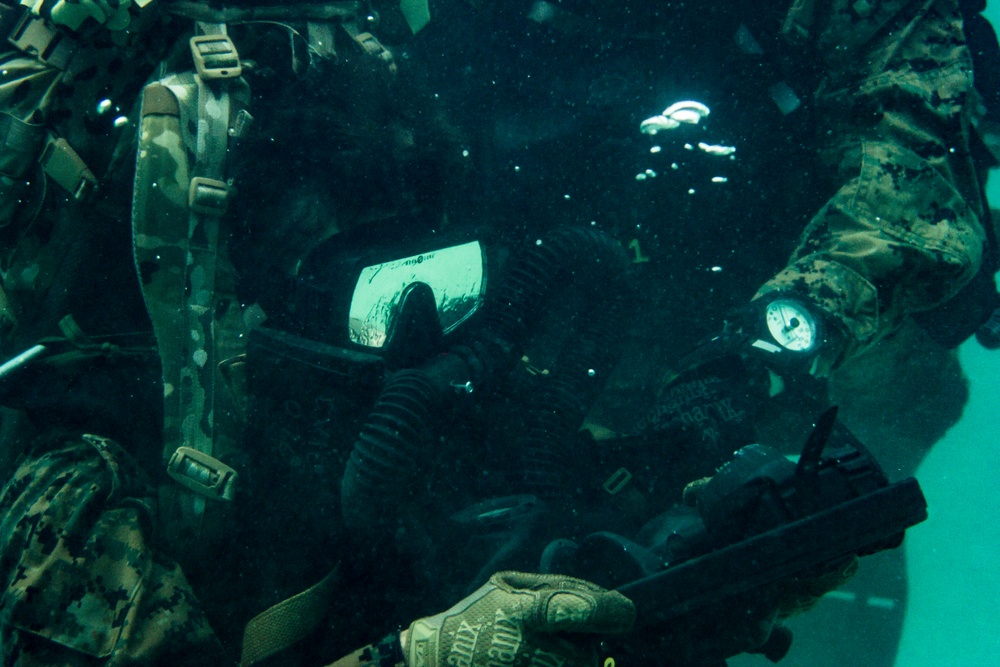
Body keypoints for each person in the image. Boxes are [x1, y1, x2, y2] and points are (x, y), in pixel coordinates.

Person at [0, 0, 645, 664]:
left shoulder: (398, 422)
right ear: (236, 279)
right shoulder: (85, 488)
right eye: (363, 282)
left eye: (422, 270)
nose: (407, 320)